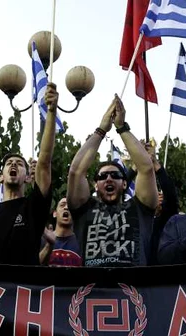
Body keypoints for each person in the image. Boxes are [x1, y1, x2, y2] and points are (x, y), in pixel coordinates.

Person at [67, 95, 159, 267]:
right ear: (95, 185)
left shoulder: (140, 209)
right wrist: (101, 130)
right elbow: (76, 171)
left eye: (115, 175)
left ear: (125, 184)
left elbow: (146, 168)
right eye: (102, 176)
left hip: (133, 291)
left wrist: (121, 127)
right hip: (93, 291)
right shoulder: (83, 210)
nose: (109, 178)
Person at [0, 84, 58, 265]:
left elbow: (44, 161)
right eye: (9, 163)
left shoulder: (33, 208)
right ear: (1, 177)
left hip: (25, 291)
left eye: (19, 164)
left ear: (27, 177)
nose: (13, 165)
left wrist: (51, 112)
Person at [127, 140, 178, 265]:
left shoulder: (166, 219)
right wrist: (137, 163)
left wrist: (155, 163)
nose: (155, 196)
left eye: (158, 194)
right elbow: (120, 187)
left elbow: (171, 195)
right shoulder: (130, 215)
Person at [40, 198, 82, 267]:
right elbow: (34, 267)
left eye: (70, 207)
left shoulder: (82, 241)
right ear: (55, 213)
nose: (66, 208)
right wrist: (49, 245)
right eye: (62, 205)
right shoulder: (43, 239)